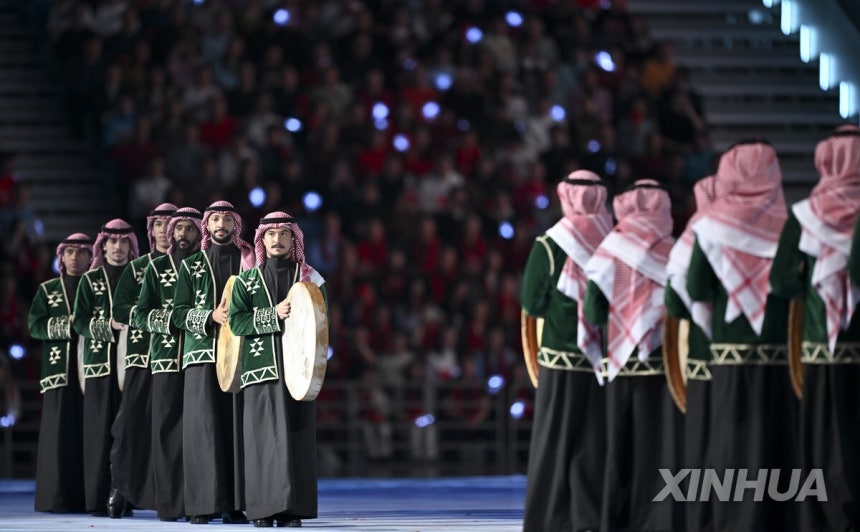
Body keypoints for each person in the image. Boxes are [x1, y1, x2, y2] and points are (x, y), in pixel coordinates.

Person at [686, 140, 797, 531]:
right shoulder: (790, 225)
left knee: (730, 441)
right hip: (778, 354)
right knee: (777, 441)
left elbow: (696, 287)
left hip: (728, 354)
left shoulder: (710, 226)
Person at [770, 126, 860, 532]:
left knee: (820, 438)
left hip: (817, 346)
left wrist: (810, 280)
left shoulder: (805, 215)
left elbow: (781, 282)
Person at [581, 179, 681, 532]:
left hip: (620, 362)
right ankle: (660, 518)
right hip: (661, 364)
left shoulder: (609, 248)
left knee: (619, 443)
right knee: (660, 443)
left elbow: (593, 310)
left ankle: (617, 517)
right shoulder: (672, 249)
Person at [520, 170, 612, 532]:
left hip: (559, 360)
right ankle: (590, 516)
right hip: (603, 360)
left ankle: (551, 517)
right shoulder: (614, 240)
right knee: (595, 441)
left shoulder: (549, 244)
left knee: (553, 439)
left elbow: (532, 303)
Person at [227, 211, 325, 528]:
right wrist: (274, 314)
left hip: (299, 370)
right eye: (271, 234)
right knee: (262, 441)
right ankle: (262, 510)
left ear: (294, 239)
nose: (277, 239)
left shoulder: (311, 280)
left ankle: (292, 511)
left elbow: (322, 323)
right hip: (261, 370)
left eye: (284, 234)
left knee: (297, 441)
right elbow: (236, 323)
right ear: (262, 240)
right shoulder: (246, 281)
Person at [171, 200, 253, 524]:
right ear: (207, 225)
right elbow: (178, 314)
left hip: (239, 356)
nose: (221, 224)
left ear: (235, 225)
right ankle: (201, 505)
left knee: (235, 429)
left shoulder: (248, 264)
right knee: (202, 429)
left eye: (226, 219)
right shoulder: (191, 265)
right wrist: (210, 317)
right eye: (215, 219)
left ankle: (233, 504)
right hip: (201, 355)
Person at [134, 206, 203, 521]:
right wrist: (173, 322)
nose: (183, 235)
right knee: (165, 432)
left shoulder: (205, 267)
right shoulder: (156, 267)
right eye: (179, 229)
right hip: (164, 358)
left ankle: (200, 502)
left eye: (190, 229)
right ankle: (169, 504)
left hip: (200, 359)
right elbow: (139, 315)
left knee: (198, 431)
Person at [108, 203, 176, 517]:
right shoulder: (138, 268)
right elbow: (120, 309)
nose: (164, 230)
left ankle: (173, 493)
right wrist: (155, 318)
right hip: (141, 355)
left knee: (170, 425)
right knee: (130, 423)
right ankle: (122, 488)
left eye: (170, 224)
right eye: (158, 224)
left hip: (176, 356)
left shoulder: (190, 266)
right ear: (151, 230)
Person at [72, 219, 139, 516]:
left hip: (132, 364)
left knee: (127, 432)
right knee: (99, 434)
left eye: (123, 242)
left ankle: (126, 495)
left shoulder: (140, 275)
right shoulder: (90, 280)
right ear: (103, 245)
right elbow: (79, 322)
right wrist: (108, 326)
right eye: (112, 241)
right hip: (99, 366)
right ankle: (99, 498)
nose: (118, 247)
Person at [663, 174, 716, 531]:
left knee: (700, 442)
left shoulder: (689, 239)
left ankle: (700, 516)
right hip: (753, 361)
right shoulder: (766, 225)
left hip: (697, 361)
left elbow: (676, 300)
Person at [30, 232, 93, 513]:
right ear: (61, 258)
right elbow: (35, 326)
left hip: (90, 369)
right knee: (57, 433)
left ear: (91, 257)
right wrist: (72, 324)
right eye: (69, 253)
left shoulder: (96, 287)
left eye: (81, 253)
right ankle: (55, 497)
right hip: (58, 369)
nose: (75, 258)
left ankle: (89, 496)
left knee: (88, 431)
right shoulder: (48, 290)